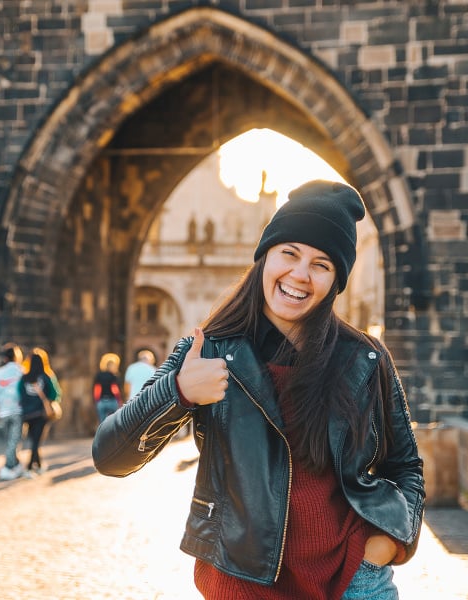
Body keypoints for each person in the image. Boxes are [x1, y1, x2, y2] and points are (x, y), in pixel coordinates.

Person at [93, 180, 425, 599]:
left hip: (353, 584)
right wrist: (178, 392)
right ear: (265, 257)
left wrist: (386, 546)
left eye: (322, 264)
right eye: (290, 253)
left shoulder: (364, 358)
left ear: (336, 280)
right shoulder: (208, 350)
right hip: (241, 584)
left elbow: (407, 466)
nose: (300, 275)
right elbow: (109, 455)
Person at [0, 343, 25, 480]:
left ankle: (14, 464)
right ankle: (9, 465)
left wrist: (2, 403)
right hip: (18, 410)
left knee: (10, 439)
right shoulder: (22, 371)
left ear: (5, 358)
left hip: (4, 411)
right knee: (15, 440)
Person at [19, 352, 59, 475]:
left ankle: (38, 464)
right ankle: (31, 465)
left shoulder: (24, 378)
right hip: (41, 413)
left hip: (27, 414)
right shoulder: (47, 376)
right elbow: (54, 394)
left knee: (34, 439)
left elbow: (20, 393)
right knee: (37, 440)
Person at [93, 353, 122, 424]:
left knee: (102, 423)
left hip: (101, 401)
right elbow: (114, 389)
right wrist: (119, 400)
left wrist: (96, 400)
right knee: (113, 422)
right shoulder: (113, 376)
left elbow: (97, 389)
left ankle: (103, 434)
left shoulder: (99, 375)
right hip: (112, 401)